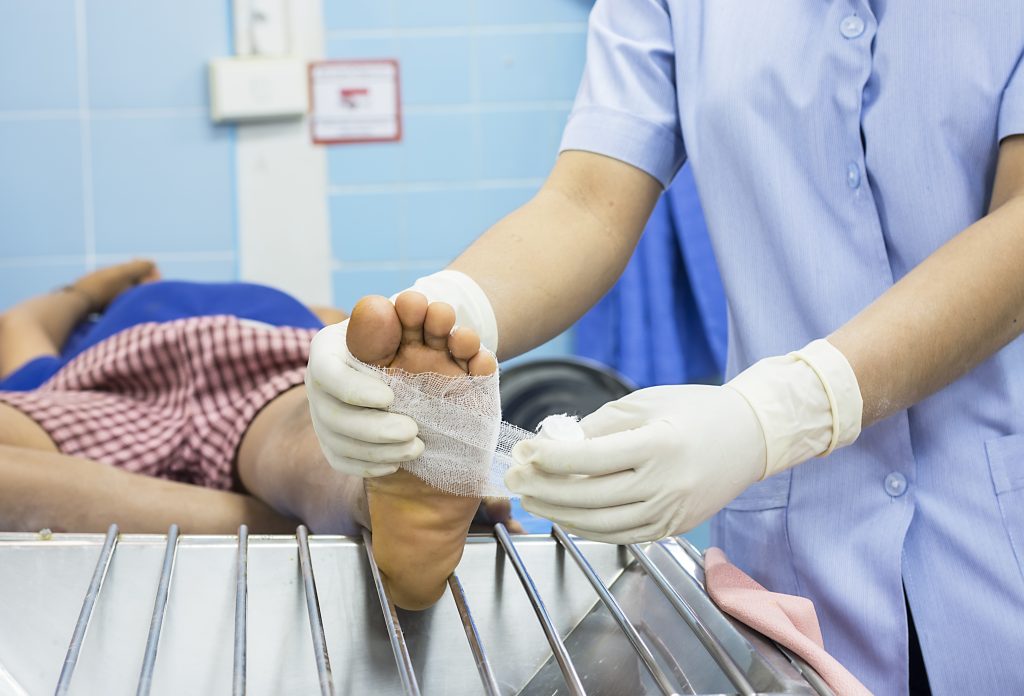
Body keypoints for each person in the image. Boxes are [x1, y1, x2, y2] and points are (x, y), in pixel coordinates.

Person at [305, 3, 1024, 694]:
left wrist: (782, 412)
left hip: (994, 552)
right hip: (804, 574)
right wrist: (451, 304)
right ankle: (407, 454)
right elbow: (587, 204)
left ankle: (397, 478)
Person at [0, 262, 517, 607]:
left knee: (326, 411)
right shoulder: (294, 309)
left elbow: (19, 322)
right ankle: (361, 497)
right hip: (241, 369)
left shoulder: (66, 349)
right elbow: (335, 323)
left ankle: (375, 482)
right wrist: (95, 290)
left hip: (95, 404)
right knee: (299, 429)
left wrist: (88, 291)